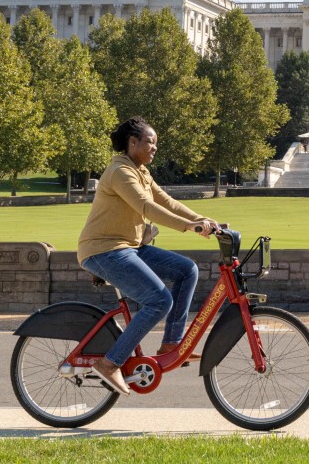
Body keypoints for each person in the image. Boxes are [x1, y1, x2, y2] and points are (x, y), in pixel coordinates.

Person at [76, 117, 218, 394]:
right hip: (104, 249)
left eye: (156, 144)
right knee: (159, 300)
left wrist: (201, 218)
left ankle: (171, 345)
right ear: (132, 143)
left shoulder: (140, 171)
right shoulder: (120, 172)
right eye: (150, 142)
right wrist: (188, 226)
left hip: (130, 247)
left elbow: (165, 200)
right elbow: (146, 206)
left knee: (187, 270)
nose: (154, 148)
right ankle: (110, 363)